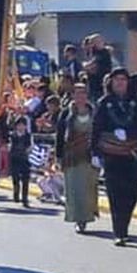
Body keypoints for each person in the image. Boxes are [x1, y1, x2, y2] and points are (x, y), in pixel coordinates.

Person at [91, 69, 137, 246]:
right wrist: (94, 152)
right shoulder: (104, 102)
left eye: (123, 79)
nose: (120, 82)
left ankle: (125, 224)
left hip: (132, 154)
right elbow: (96, 128)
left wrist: (129, 133)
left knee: (132, 193)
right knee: (115, 194)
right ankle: (120, 232)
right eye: (116, 79)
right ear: (110, 82)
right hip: (112, 155)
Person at [56, 82, 98, 233]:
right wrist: (58, 156)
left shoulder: (94, 112)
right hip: (72, 156)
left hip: (89, 156)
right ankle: (78, 219)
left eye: (84, 93)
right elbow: (60, 136)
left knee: (88, 189)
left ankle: (87, 217)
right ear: (73, 95)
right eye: (78, 93)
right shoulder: (66, 113)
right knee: (74, 190)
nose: (81, 96)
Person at [8, 116, 32, 209]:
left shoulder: (28, 136)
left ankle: (25, 199)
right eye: (19, 125)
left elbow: (30, 146)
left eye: (23, 125)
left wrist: (27, 151)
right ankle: (16, 194)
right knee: (16, 178)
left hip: (24, 159)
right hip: (14, 159)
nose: (21, 127)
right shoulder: (12, 135)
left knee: (25, 180)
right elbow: (10, 146)